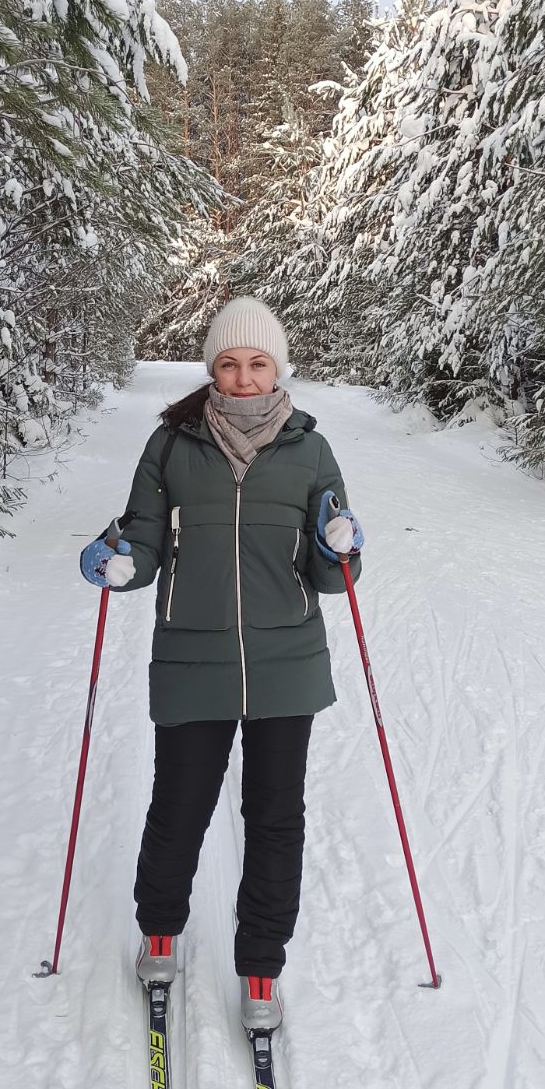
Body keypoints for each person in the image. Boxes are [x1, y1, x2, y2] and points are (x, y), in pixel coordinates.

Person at [79, 297, 364, 1031]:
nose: (242, 377)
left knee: (275, 818)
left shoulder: (310, 450)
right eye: (229, 364)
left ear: (278, 368)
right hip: (192, 657)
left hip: (287, 661)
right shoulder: (172, 446)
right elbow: (142, 543)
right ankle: (162, 929)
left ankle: (262, 964)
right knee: (179, 809)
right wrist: (117, 560)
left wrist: (342, 547)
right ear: (212, 370)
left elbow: (335, 575)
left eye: (257, 363)